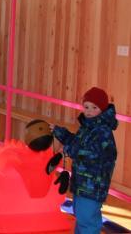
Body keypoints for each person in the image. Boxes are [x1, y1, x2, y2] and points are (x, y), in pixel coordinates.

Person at [51, 87, 118, 234]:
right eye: (86, 107)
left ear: (103, 109)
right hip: (82, 183)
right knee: (81, 217)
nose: (89, 111)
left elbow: (90, 154)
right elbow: (77, 143)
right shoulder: (88, 127)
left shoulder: (103, 131)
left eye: (94, 107)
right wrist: (59, 132)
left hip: (93, 187)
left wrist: (68, 149)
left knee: (87, 220)